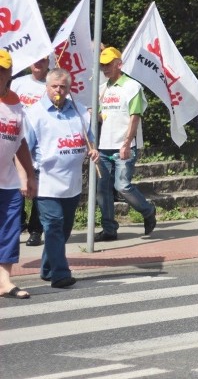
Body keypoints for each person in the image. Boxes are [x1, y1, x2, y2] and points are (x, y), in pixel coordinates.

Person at [24, 68, 98, 288]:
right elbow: (24, 149)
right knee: (54, 225)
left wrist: (93, 150)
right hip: (45, 181)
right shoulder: (34, 113)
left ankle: (47, 268)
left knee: (64, 229)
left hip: (72, 184)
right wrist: (26, 176)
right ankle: (60, 274)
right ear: (46, 87)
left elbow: (90, 142)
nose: (58, 90)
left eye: (63, 86)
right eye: (54, 86)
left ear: (69, 89)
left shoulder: (80, 111)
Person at [94, 47, 157, 241]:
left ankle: (148, 211)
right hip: (104, 146)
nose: (105, 68)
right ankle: (109, 229)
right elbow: (100, 117)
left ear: (118, 64)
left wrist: (127, 143)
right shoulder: (102, 88)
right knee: (102, 190)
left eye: (108, 64)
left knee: (122, 185)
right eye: (102, 65)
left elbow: (135, 116)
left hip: (124, 145)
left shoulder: (132, 86)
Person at [0, 50, 37, 300]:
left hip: (9, 180)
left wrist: (29, 175)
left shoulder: (15, 101)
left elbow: (20, 141)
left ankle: (4, 281)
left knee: (10, 230)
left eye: (3, 69)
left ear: (10, 72)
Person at [10, 57, 48, 247]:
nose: (38, 64)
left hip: (40, 144)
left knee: (38, 190)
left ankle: (35, 230)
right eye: (34, 61)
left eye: (42, 61)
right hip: (14, 142)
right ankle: (18, 223)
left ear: (49, 62)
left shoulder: (51, 86)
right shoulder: (18, 83)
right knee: (15, 187)